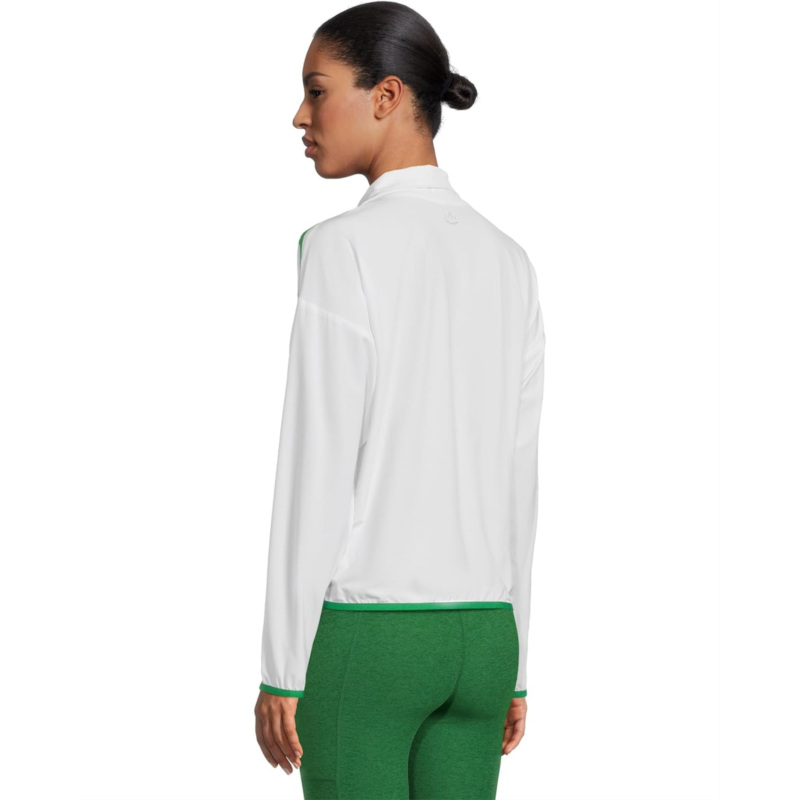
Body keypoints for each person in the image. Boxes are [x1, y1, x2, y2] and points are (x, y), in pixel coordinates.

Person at [254, 3, 546, 797]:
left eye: (317, 91)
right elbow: (519, 477)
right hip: (485, 642)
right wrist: (517, 663)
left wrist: (282, 666)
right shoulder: (510, 259)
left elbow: (315, 462)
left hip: (372, 643)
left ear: (386, 95)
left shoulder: (340, 248)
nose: (301, 116)